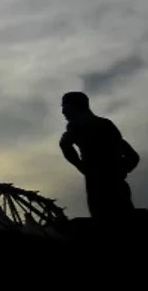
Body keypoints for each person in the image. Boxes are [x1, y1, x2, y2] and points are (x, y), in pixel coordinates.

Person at [59, 91, 139, 220]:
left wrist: (117, 171)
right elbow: (132, 156)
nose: (63, 112)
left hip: (108, 189)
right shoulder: (98, 125)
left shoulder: (97, 126)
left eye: (64, 106)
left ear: (75, 106)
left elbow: (132, 156)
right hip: (104, 186)